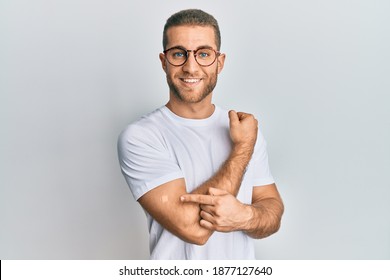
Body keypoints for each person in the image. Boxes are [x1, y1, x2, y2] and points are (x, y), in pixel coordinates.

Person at [117, 9, 284, 260]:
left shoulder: (243, 130)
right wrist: (242, 149)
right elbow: (193, 228)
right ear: (164, 62)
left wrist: (245, 216)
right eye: (178, 54)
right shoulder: (141, 137)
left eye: (204, 54)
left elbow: (272, 211)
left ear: (220, 61)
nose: (191, 67)